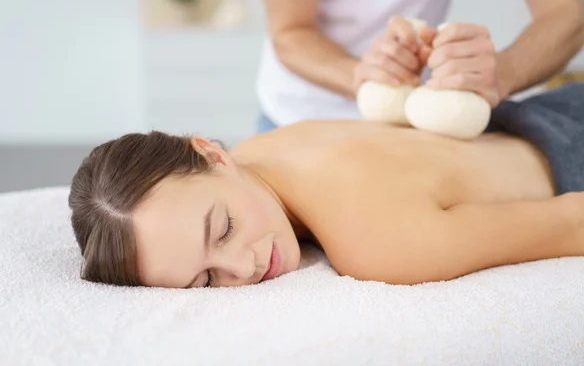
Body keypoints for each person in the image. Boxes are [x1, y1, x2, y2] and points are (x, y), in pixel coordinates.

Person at [68, 82, 584, 289]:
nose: (242, 267)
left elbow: (573, 222)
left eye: (223, 229)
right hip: (542, 111)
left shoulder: (378, 245)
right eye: (205, 281)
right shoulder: (266, 148)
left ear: (212, 153)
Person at [254, 0, 584, 133]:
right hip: (298, 118)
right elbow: (290, 30)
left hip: (412, 123)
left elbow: (565, 15)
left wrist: (502, 73)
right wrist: (360, 74)